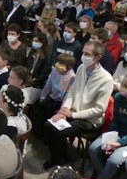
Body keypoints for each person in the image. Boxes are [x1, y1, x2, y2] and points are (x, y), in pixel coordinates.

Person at [43, 41, 114, 169]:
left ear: (98, 57)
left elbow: (99, 109)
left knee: (58, 131)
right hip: (73, 111)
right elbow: (73, 91)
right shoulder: (81, 68)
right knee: (49, 124)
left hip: (89, 119)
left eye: (87, 54)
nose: (83, 56)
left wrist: (73, 114)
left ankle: (62, 161)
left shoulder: (106, 79)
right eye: (83, 53)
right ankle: (59, 156)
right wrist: (64, 109)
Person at [31, 54, 76, 138]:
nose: (58, 64)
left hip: (61, 101)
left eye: (62, 63)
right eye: (58, 62)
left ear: (68, 66)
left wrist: (62, 110)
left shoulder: (72, 77)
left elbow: (68, 95)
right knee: (40, 105)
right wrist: (42, 97)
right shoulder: (55, 70)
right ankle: (38, 132)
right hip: (52, 96)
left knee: (49, 110)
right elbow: (48, 84)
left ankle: (47, 135)